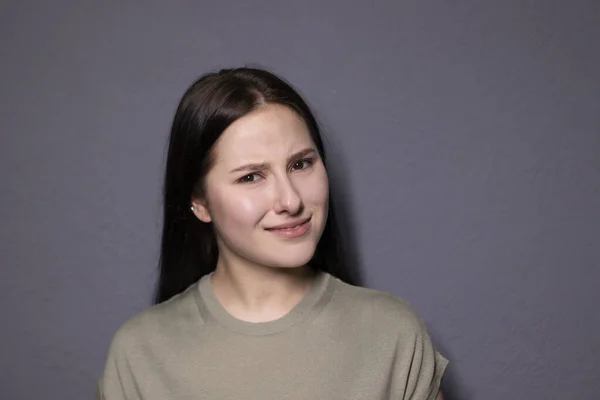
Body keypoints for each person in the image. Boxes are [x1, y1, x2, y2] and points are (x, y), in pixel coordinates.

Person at [96, 67, 448, 400]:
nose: (290, 200)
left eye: (300, 164)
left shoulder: (392, 335)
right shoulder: (139, 353)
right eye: (251, 176)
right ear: (200, 202)